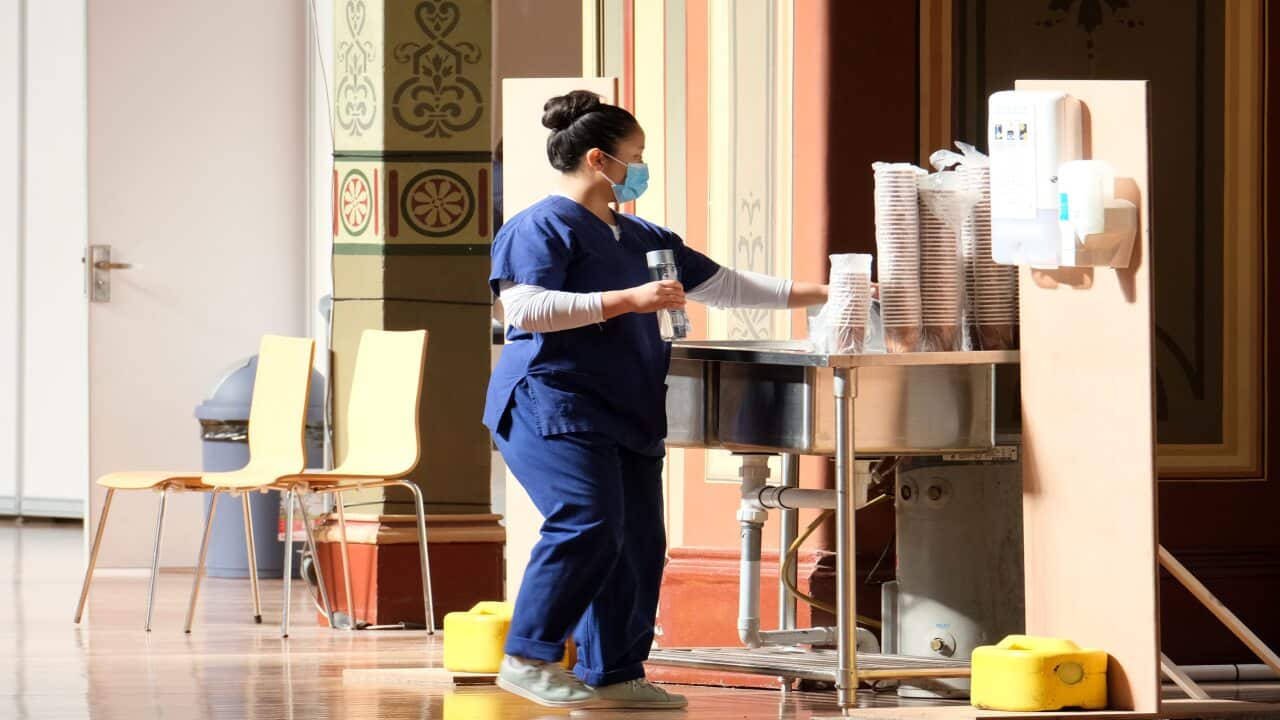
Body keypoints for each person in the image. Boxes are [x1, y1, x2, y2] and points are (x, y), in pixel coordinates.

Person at [484, 90, 828, 710]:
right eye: (635, 156)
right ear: (599, 159)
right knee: (587, 521)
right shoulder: (539, 227)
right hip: (551, 403)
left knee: (638, 543)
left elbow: (726, 286)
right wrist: (629, 300)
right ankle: (528, 656)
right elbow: (525, 310)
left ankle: (615, 672)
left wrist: (834, 292)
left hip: (625, 408)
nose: (641, 168)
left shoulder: (645, 237)